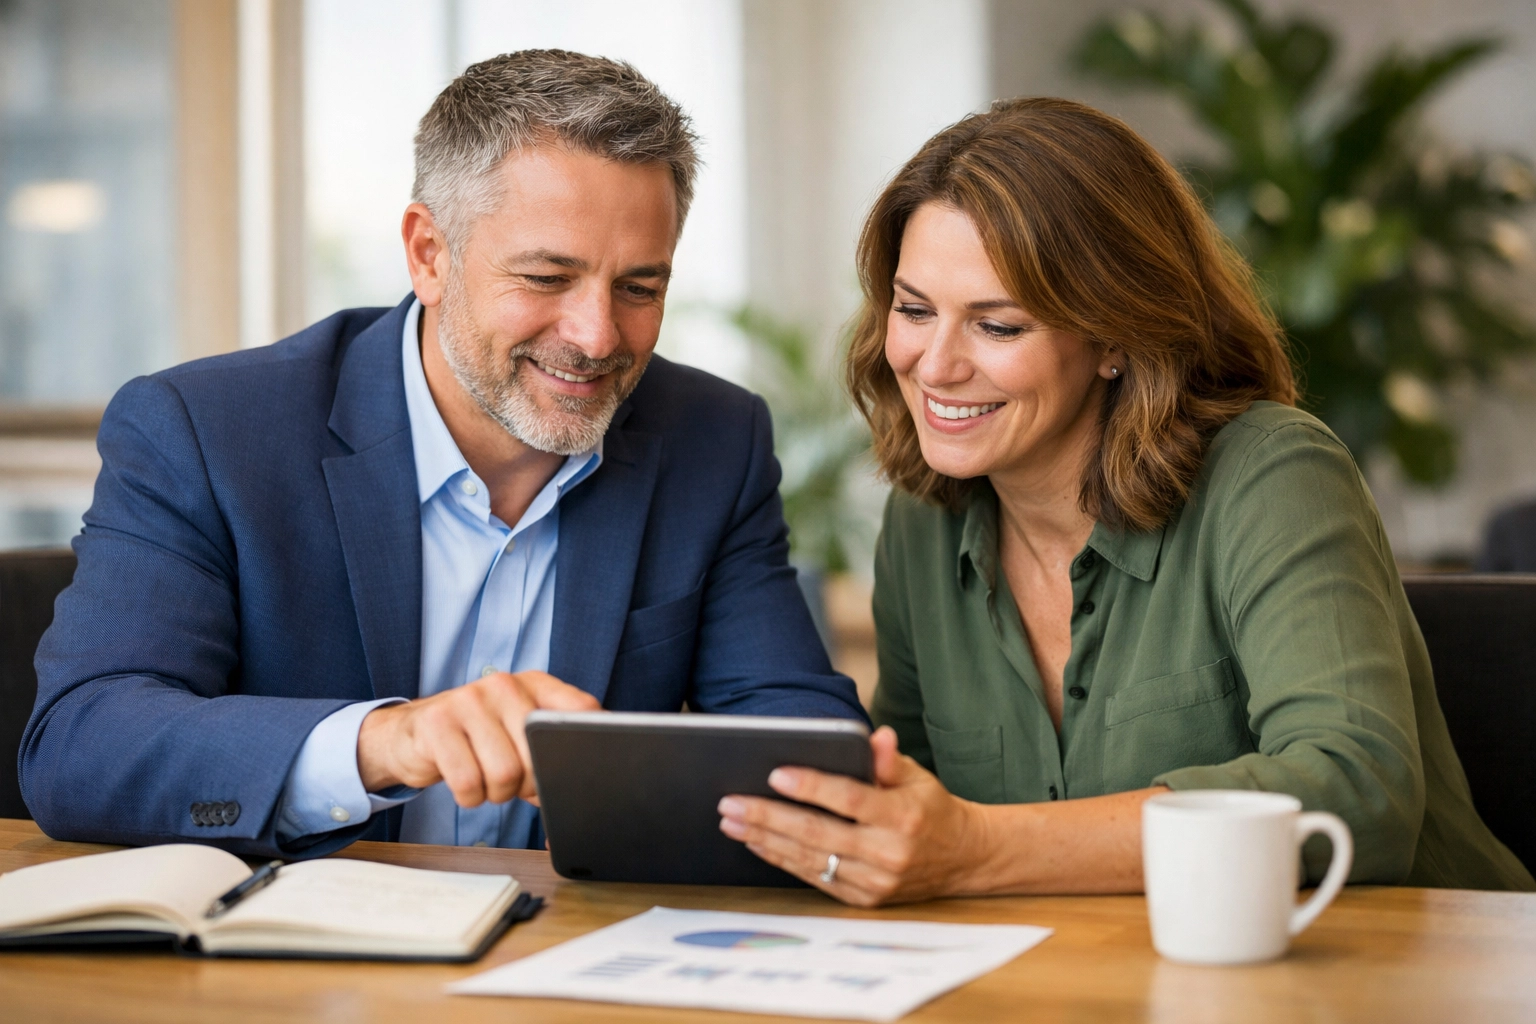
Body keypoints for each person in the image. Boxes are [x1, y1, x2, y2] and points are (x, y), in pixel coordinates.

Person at [22, 50, 864, 859]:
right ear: (429, 254)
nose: (597, 336)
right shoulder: (205, 431)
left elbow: (800, 745)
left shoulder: (712, 440)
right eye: (545, 278)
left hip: (567, 962)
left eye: (640, 287)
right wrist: (387, 740)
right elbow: (82, 745)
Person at [716, 97, 1535, 904]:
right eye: (914, 309)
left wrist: (978, 850)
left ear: (1115, 335)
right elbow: (916, 794)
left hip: (1406, 974)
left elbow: (1359, 791)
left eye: (998, 326)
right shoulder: (924, 521)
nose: (934, 366)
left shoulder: (1273, 474)